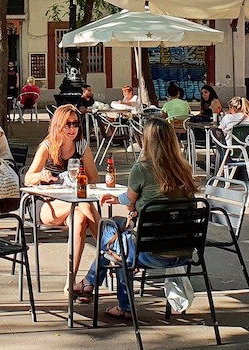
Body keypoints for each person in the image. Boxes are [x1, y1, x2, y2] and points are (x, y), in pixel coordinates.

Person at [79, 117, 197, 318]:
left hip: (150, 252)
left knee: (108, 232)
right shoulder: (184, 169)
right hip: (183, 251)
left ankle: (102, 291)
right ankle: (89, 282)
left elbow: (130, 199)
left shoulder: (142, 168)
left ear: (146, 141)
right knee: (115, 229)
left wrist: (120, 202)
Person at [24, 105, 101, 294]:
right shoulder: (48, 146)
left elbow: (94, 179)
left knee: (81, 218)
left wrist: (79, 179)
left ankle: (70, 282)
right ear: (58, 125)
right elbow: (28, 178)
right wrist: (42, 176)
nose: (72, 128)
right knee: (84, 203)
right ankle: (112, 248)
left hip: (72, 202)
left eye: (75, 124)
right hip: (45, 204)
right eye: (67, 124)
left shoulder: (81, 146)